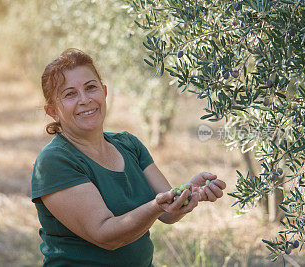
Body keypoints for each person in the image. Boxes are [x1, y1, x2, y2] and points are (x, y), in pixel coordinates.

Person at [31, 48, 226, 266]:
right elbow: (105, 235)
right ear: (53, 111)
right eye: (70, 94)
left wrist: (188, 193)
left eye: (91, 88)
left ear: (104, 92)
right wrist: (156, 206)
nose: (85, 99)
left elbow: (168, 213)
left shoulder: (128, 144)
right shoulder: (55, 161)